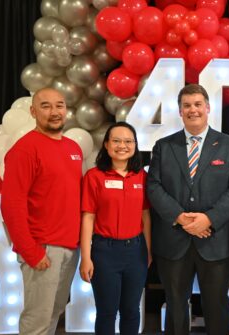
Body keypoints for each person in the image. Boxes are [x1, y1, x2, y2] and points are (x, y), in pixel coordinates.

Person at [147, 83, 229, 335]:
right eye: (187, 106)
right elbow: (154, 187)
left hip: (216, 241)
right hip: (173, 241)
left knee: (217, 307)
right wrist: (180, 217)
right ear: (179, 111)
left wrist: (209, 219)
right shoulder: (164, 146)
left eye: (197, 104)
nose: (193, 110)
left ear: (208, 108)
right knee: (176, 307)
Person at [0, 88, 82, 335]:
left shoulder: (72, 148)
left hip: (70, 247)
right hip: (43, 249)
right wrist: (31, 251)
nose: (54, 112)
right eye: (46, 106)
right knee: (37, 321)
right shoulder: (24, 150)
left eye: (60, 105)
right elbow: (11, 205)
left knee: (53, 314)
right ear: (33, 112)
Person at [79, 122, 152, 334]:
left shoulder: (141, 177)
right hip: (104, 252)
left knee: (131, 310)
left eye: (128, 141)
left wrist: (148, 250)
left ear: (135, 146)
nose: (123, 145)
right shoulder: (94, 176)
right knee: (106, 311)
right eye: (117, 141)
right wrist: (86, 257)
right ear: (106, 144)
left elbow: (146, 216)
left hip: (136, 251)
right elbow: (88, 218)